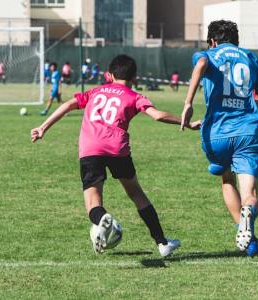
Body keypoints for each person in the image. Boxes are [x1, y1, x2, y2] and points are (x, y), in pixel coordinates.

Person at [31, 54, 196, 256]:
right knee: (136, 193)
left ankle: (101, 220)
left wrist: (42, 128)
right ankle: (162, 243)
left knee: (93, 203)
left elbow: (67, 105)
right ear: (134, 77)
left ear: (109, 75)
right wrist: (185, 122)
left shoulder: (95, 91)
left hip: (90, 148)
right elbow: (158, 115)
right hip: (117, 148)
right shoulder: (134, 96)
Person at [180, 19, 258, 257]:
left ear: (212, 41)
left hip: (216, 134)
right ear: (237, 40)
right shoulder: (250, 57)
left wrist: (188, 103)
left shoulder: (208, 54)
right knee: (250, 194)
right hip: (247, 132)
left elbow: (200, 63)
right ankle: (247, 219)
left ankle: (249, 240)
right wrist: (249, 102)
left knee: (225, 177)